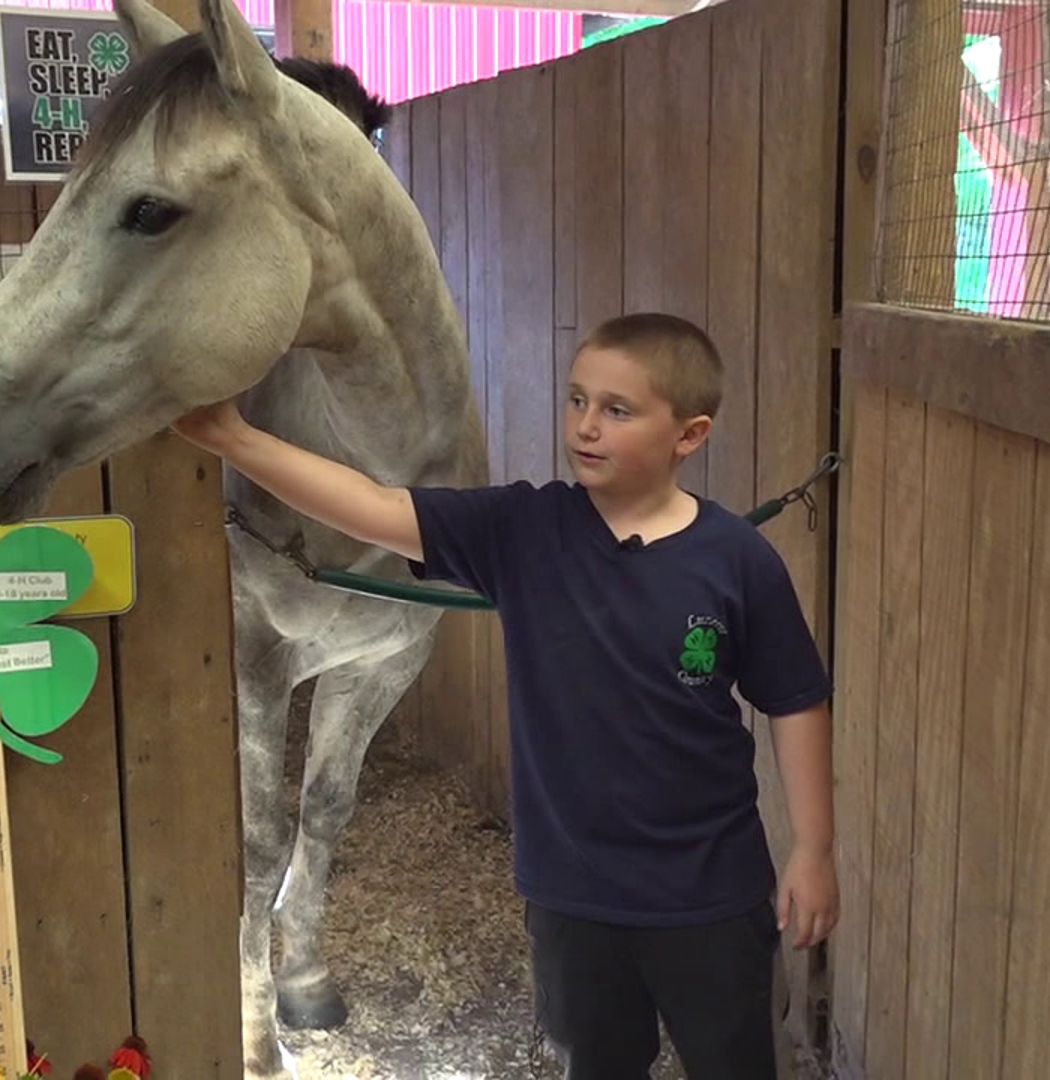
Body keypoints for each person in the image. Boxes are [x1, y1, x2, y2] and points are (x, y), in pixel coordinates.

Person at [172, 311, 838, 1079]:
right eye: (577, 400)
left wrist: (814, 850)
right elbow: (375, 506)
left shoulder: (737, 561)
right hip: (574, 899)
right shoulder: (523, 530)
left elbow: (794, 700)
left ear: (689, 436)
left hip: (713, 896)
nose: (586, 426)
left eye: (617, 411)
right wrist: (232, 438)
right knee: (597, 1062)